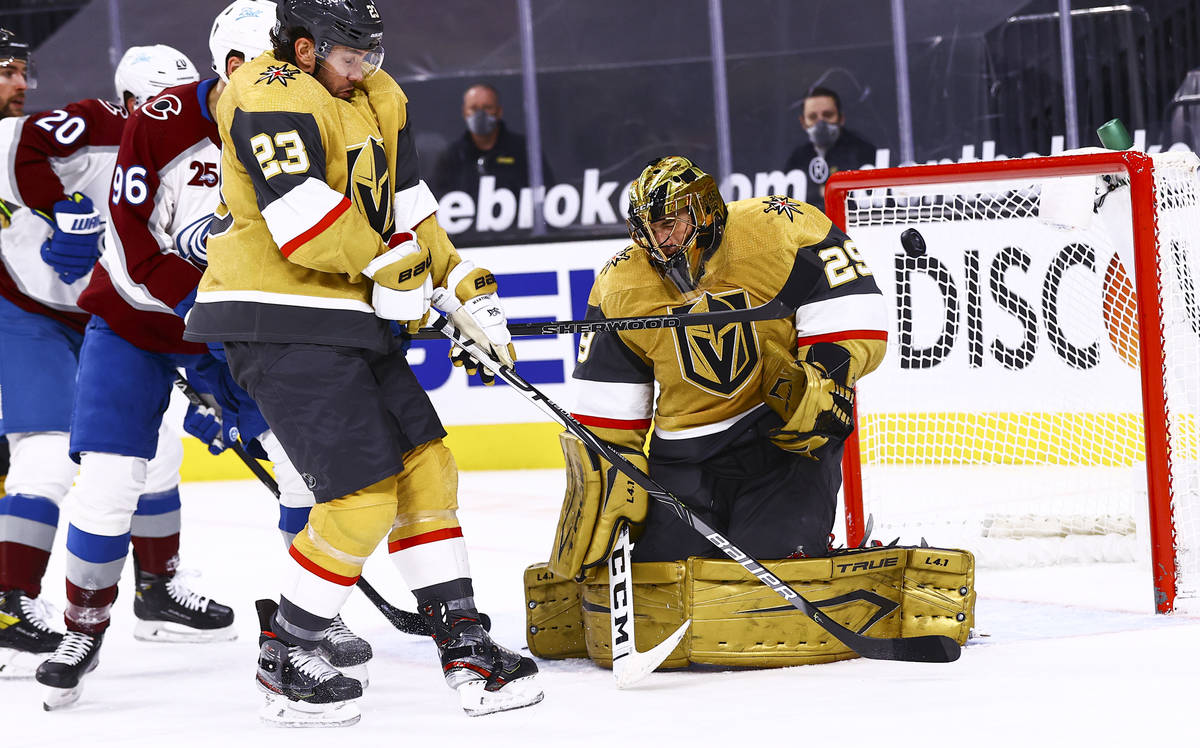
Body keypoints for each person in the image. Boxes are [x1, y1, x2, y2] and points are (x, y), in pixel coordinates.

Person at [183, 0, 541, 726]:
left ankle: (464, 641)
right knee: (361, 497)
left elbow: (408, 207)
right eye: (352, 58)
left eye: (373, 56)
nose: (366, 72)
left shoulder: (377, 97)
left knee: (427, 468)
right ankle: (287, 652)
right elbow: (303, 220)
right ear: (306, 48)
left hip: (350, 319)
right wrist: (392, 268)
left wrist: (458, 282)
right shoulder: (267, 88)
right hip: (277, 317)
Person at [32, 2, 373, 708]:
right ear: (233, 66)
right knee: (110, 477)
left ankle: (311, 619)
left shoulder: (297, 126)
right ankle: (83, 626)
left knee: (302, 468)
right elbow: (129, 244)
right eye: (265, 72)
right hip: (137, 320)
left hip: (237, 323)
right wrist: (205, 309)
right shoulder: (158, 122)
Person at [555, 155, 887, 577]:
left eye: (669, 223)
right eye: (647, 229)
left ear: (705, 209)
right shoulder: (620, 285)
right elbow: (607, 409)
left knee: (772, 573)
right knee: (665, 578)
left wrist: (823, 377)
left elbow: (853, 304)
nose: (659, 242)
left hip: (782, 443)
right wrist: (603, 472)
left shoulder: (778, 229)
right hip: (685, 460)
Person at [0, 38, 210, 681]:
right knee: (46, 451)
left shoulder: (203, 142)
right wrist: (59, 209)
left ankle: (155, 590)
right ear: (126, 101)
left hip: (98, 312)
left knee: (157, 445)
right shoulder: (82, 125)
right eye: (152, 102)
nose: (165, 113)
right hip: (26, 310)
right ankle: (10, 604)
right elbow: (26, 145)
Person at [430, 82, 552, 198]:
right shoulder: (453, 155)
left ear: (499, 112)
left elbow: (546, 192)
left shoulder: (523, 149)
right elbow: (437, 198)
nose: (480, 114)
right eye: (473, 108)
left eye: (487, 107)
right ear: (464, 112)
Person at [783, 86, 877, 211]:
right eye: (812, 117)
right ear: (803, 122)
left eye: (828, 115)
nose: (820, 123)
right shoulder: (798, 158)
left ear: (841, 118)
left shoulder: (861, 151)